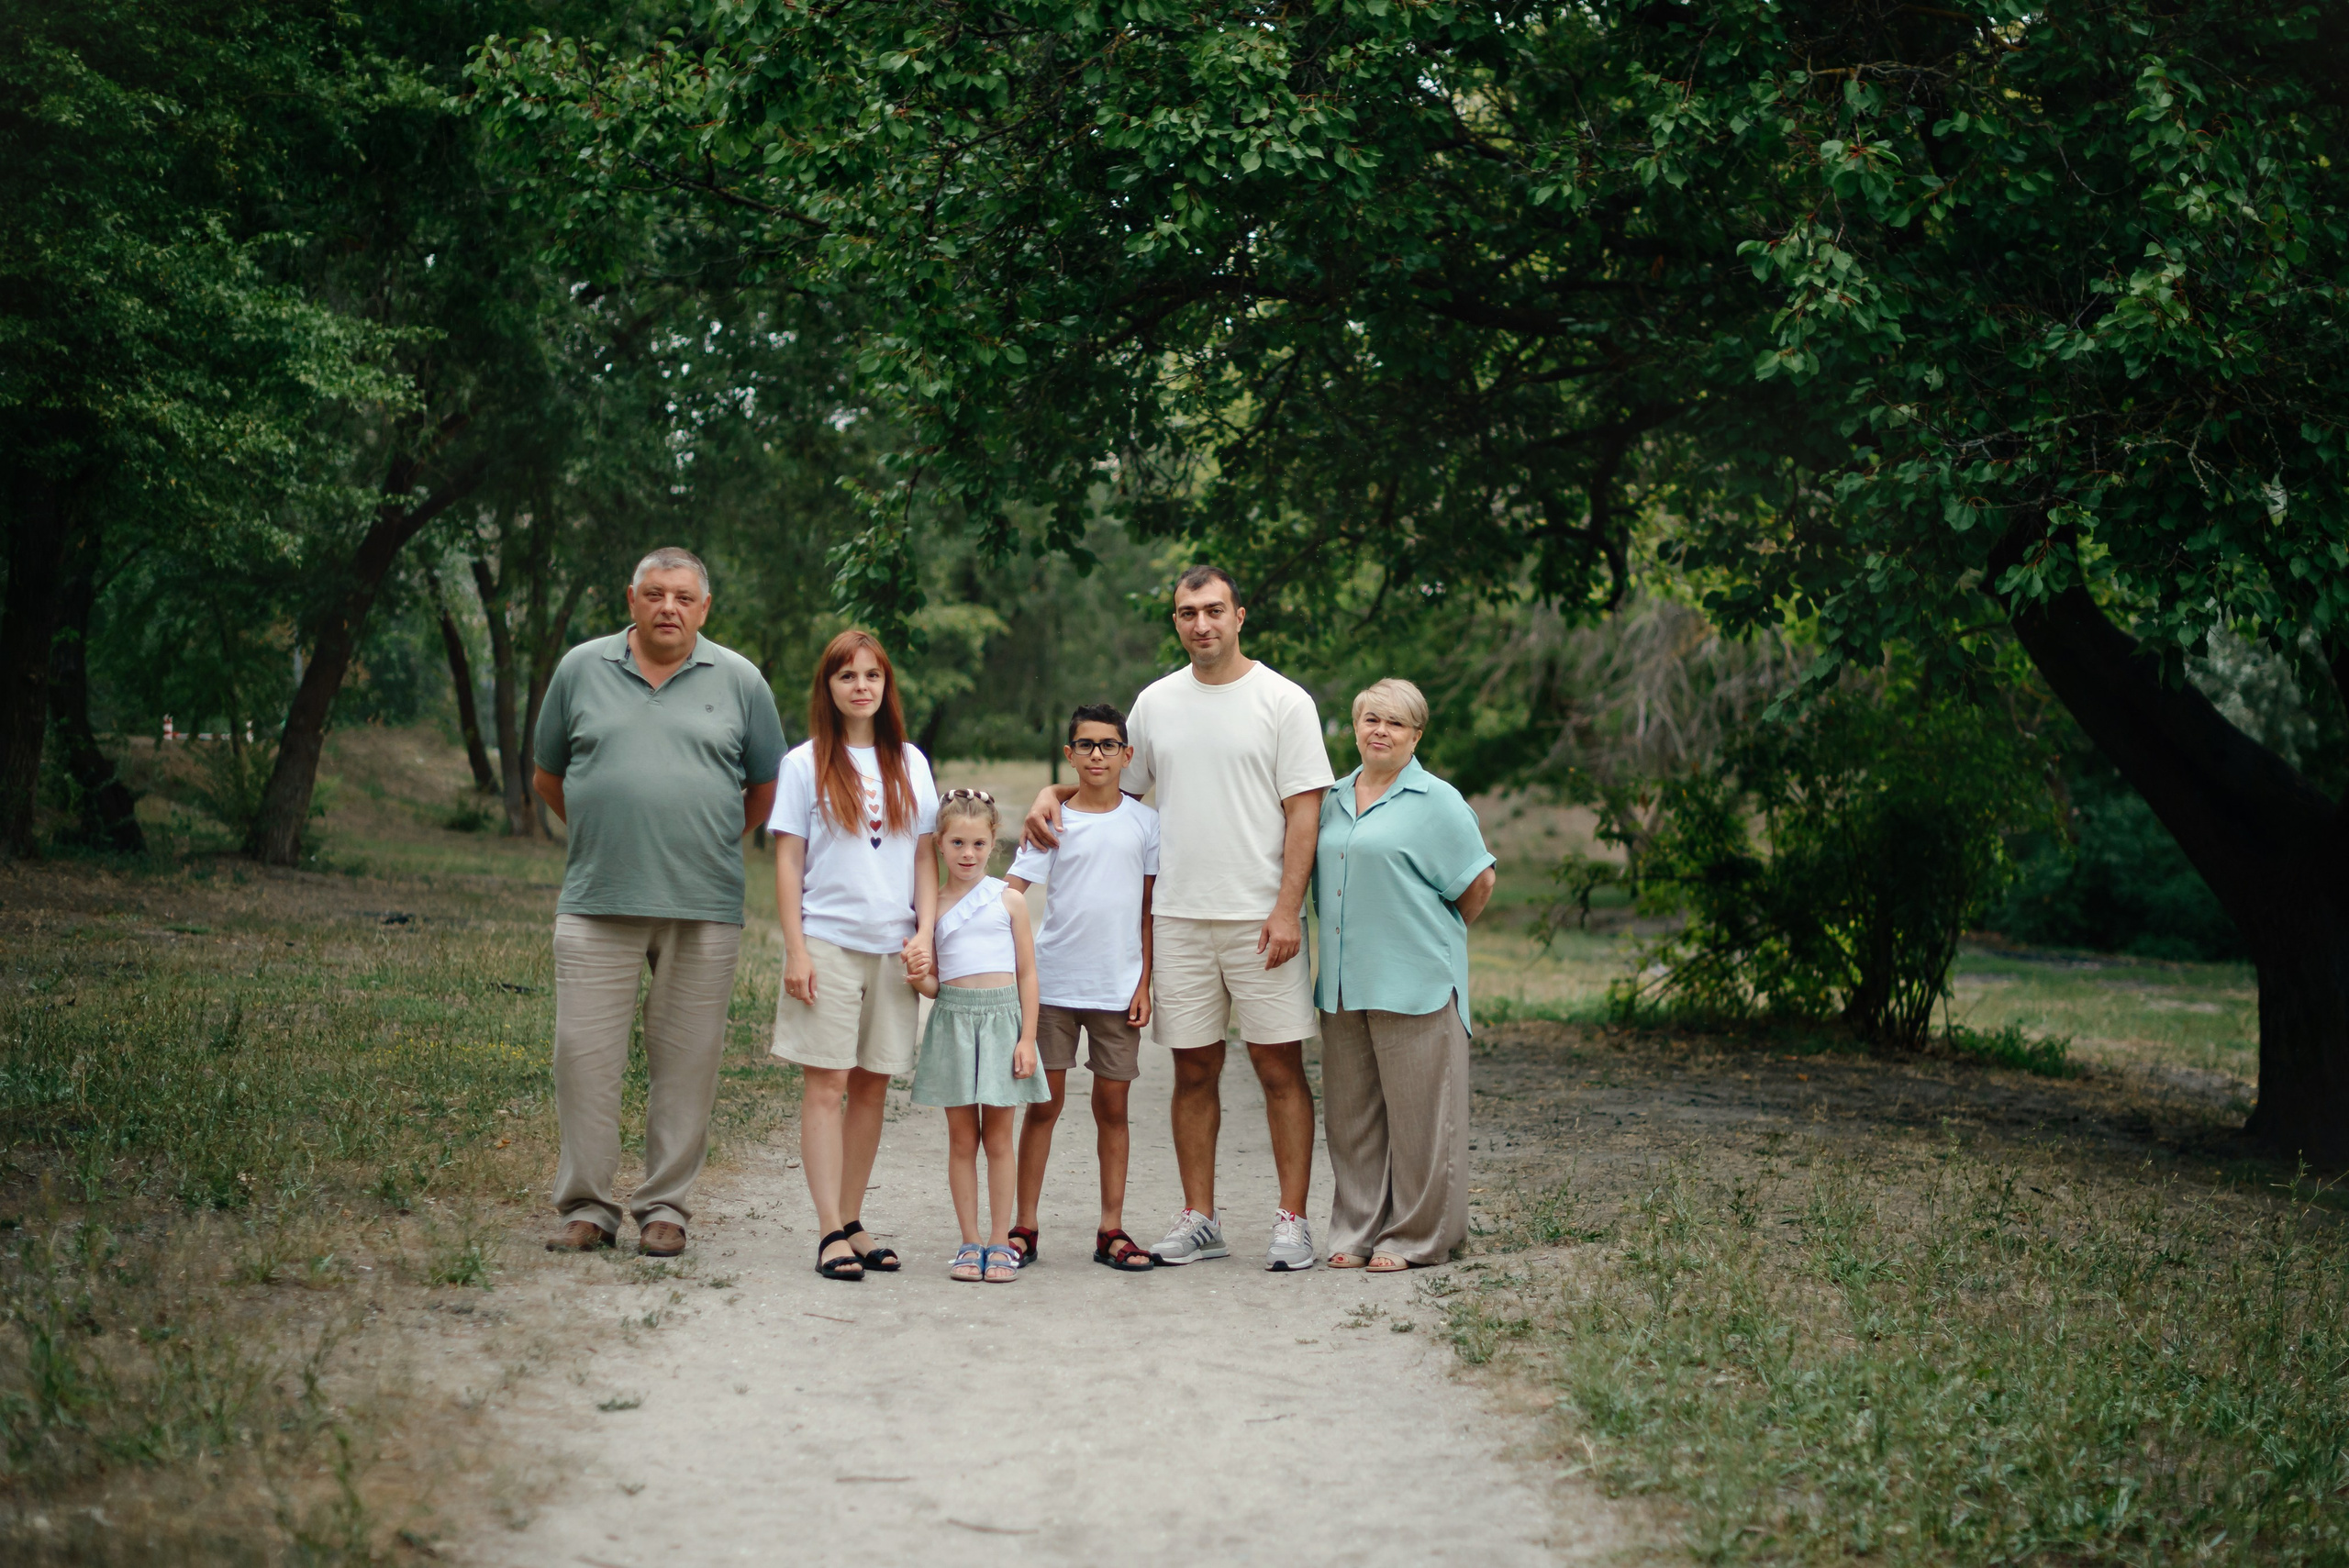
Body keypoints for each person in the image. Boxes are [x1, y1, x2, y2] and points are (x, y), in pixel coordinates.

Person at [1023, 565, 1333, 1272]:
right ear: (1176, 622)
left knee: (1278, 1066)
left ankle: (1292, 1220)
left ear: (1239, 616)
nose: (1202, 624)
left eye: (1214, 610)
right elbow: (1111, 790)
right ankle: (1201, 1218)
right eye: (1188, 612)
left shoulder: (1284, 701)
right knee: (1193, 1069)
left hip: (1261, 919)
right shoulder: (1157, 703)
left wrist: (1288, 908)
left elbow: (1304, 811)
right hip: (1179, 918)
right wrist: (1050, 791)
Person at [532, 547, 786, 1259]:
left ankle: (665, 1207)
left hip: (703, 904)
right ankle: (586, 1207)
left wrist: (706, 839)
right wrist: (606, 831)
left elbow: (766, 788)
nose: (667, 607)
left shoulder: (741, 680)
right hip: (597, 900)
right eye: (654, 593)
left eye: (682, 596)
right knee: (583, 1059)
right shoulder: (580, 668)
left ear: (704, 608)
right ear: (631, 599)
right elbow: (549, 775)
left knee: (687, 1061)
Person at [770, 629, 939, 1282]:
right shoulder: (804, 763)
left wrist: (925, 933)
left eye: (872, 675)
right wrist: (796, 949)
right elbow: (789, 860)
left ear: (886, 685)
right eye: (847, 676)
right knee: (828, 1083)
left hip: (893, 947)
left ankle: (852, 1218)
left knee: (872, 1084)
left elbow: (923, 856)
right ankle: (827, 1231)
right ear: (829, 687)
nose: (861, 686)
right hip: (828, 942)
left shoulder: (910, 762)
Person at [1313, 678, 1497, 1271]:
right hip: (1345, 985)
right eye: (1371, 719)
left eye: (1395, 722)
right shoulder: (1332, 798)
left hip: (1416, 981)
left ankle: (1417, 1237)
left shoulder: (1437, 800)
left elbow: (1478, 883)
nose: (1380, 731)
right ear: (1355, 726)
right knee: (1352, 1120)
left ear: (1416, 735)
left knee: (1422, 1123)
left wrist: (1429, 938)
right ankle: (1358, 1229)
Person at [1004, 704, 1161, 1273]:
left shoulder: (1145, 824)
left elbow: (1148, 910)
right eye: (1087, 745)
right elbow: (1011, 893)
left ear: (1126, 755)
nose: (1098, 754)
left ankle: (1110, 1229)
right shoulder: (1052, 821)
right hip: (1054, 987)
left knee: (1112, 1108)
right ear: (1069, 755)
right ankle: (1024, 1226)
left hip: (1117, 990)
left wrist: (1145, 982)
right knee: (1043, 1107)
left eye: (1109, 745)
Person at [907, 790, 1047, 1283]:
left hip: (1004, 1024)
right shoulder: (931, 908)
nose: (968, 854)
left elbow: (1027, 973)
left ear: (993, 844)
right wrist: (918, 975)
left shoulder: (1009, 900)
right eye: (957, 843)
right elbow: (935, 985)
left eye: (978, 844)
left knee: (999, 1139)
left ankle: (999, 1241)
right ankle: (969, 1242)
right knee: (963, 1139)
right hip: (955, 1024)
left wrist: (1027, 1038)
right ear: (940, 845)